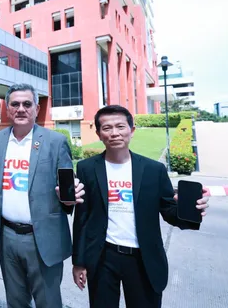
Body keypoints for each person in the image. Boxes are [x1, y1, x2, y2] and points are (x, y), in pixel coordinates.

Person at [72, 105, 210, 308]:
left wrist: (190, 210)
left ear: (132, 130)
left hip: (143, 259)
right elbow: (82, 218)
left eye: (120, 126)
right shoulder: (87, 168)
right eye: (107, 128)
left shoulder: (154, 170)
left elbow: (169, 211)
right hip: (102, 257)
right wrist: (78, 261)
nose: (114, 133)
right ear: (99, 134)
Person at [0, 83, 85, 308]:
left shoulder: (55, 141)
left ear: (37, 108)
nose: (21, 109)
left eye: (27, 104)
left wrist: (69, 196)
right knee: (15, 301)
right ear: (7, 109)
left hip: (43, 238)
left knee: (48, 302)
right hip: (7, 236)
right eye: (15, 104)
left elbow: (67, 189)